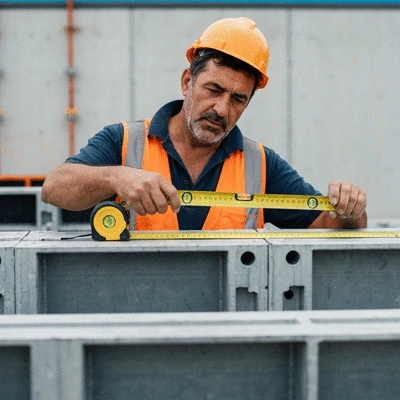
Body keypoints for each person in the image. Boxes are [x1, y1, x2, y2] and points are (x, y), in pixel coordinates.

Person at [42, 17, 367, 231]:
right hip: (136, 320)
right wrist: (118, 176)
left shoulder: (260, 165)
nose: (222, 109)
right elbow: (55, 188)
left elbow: (329, 225)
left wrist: (350, 210)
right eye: (213, 90)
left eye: (238, 99)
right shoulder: (126, 142)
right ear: (187, 82)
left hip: (225, 329)